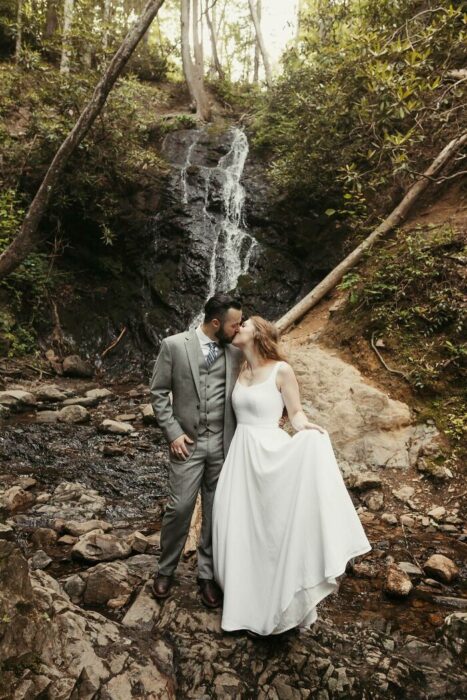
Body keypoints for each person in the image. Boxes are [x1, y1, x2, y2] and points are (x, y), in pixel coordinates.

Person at [212, 316, 372, 637]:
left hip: (272, 455)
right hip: (241, 458)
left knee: (272, 531)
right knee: (234, 526)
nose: (237, 328)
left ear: (257, 333)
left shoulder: (281, 370)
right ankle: (243, 604)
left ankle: (279, 605)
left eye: (243, 325)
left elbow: (294, 413)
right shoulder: (240, 369)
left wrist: (307, 428)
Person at [149, 294, 243, 608]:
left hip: (223, 445)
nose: (238, 328)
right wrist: (172, 433)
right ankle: (166, 569)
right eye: (234, 323)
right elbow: (159, 393)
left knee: (217, 513)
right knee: (179, 508)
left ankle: (207, 575)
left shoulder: (236, 352)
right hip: (186, 445)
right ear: (216, 322)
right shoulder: (174, 345)